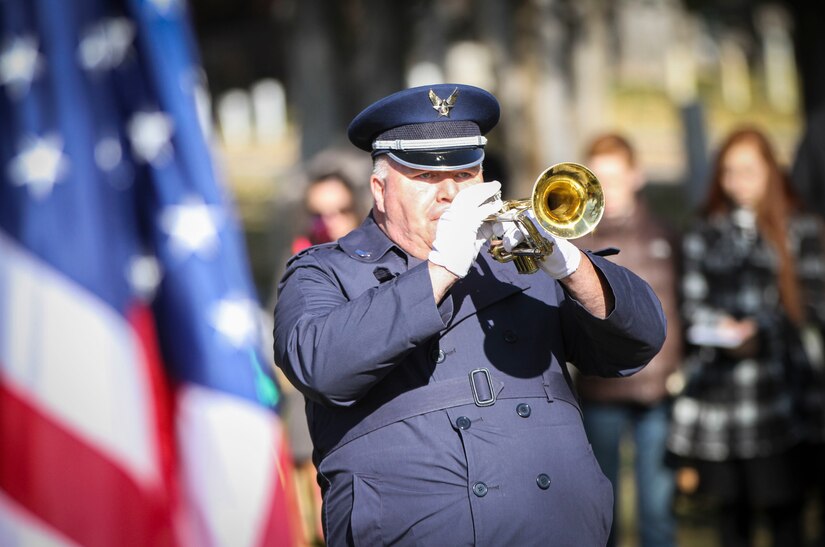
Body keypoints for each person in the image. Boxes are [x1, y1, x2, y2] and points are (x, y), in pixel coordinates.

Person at [273, 83, 666, 545]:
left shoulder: (515, 257)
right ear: (379, 189)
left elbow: (639, 341)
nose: (447, 193)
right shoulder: (324, 270)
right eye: (424, 177)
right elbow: (318, 365)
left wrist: (571, 264)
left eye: (464, 174)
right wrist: (440, 270)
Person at [667, 127, 817, 546]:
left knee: (787, 511)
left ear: (771, 171)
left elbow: (809, 304)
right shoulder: (704, 230)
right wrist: (721, 330)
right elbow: (691, 301)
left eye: (749, 171)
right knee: (733, 517)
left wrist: (762, 332)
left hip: (782, 395)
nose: (738, 182)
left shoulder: (798, 228)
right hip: (723, 399)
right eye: (729, 171)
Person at [572, 133, 682, 547]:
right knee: (605, 507)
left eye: (616, 177)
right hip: (600, 391)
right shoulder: (575, 238)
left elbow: (681, 304)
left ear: (637, 176)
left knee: (657, 509)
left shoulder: (666, 233)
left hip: (659, 391)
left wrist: (679, 367)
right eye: (599, 178)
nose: (609, 188)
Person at [291, 171, 362, 255]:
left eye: (341, 211)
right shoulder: (301, 257)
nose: (328, 222)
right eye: (318, 215)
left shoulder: (375, 251)